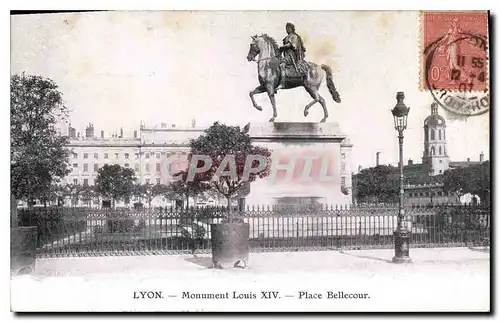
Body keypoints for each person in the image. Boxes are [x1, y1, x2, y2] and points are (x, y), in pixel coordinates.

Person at [277, 22, 307, 90]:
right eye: (286, 28)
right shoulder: (287, 37)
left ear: (292, 29)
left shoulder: (294, 36)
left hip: (292, 56)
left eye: (288, 28)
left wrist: (282, 47)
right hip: (286, 55)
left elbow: (290, 45)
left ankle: (282, 83)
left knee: (282, 65)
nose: (287, 29)